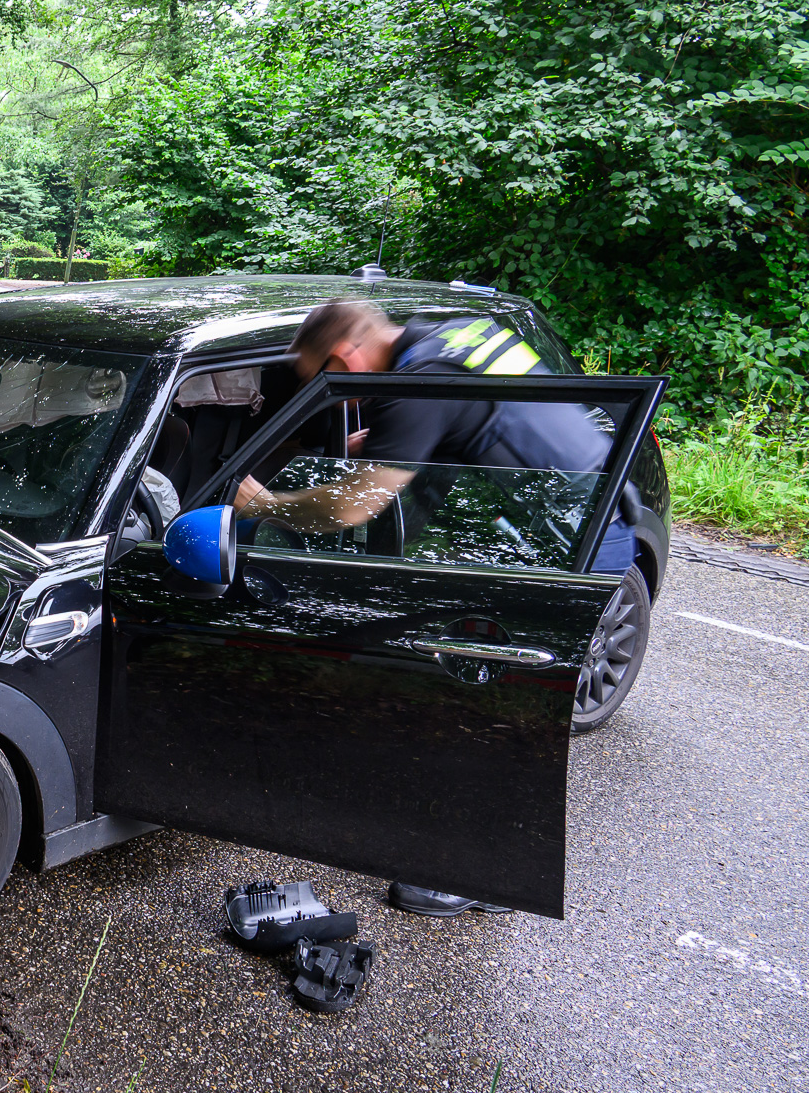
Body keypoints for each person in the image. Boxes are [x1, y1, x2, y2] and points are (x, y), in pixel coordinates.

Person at [235, 298, 634, 918]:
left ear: (346, 358)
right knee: (484, 688)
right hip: (585, 508)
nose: (344, 404)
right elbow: (480, 416)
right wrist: (401, 439)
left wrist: (266, 507)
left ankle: (483, 876)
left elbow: (352, 508)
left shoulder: (418, 383)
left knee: (498, 697)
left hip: (571, 537)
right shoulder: (446, 339)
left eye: (333, 386)